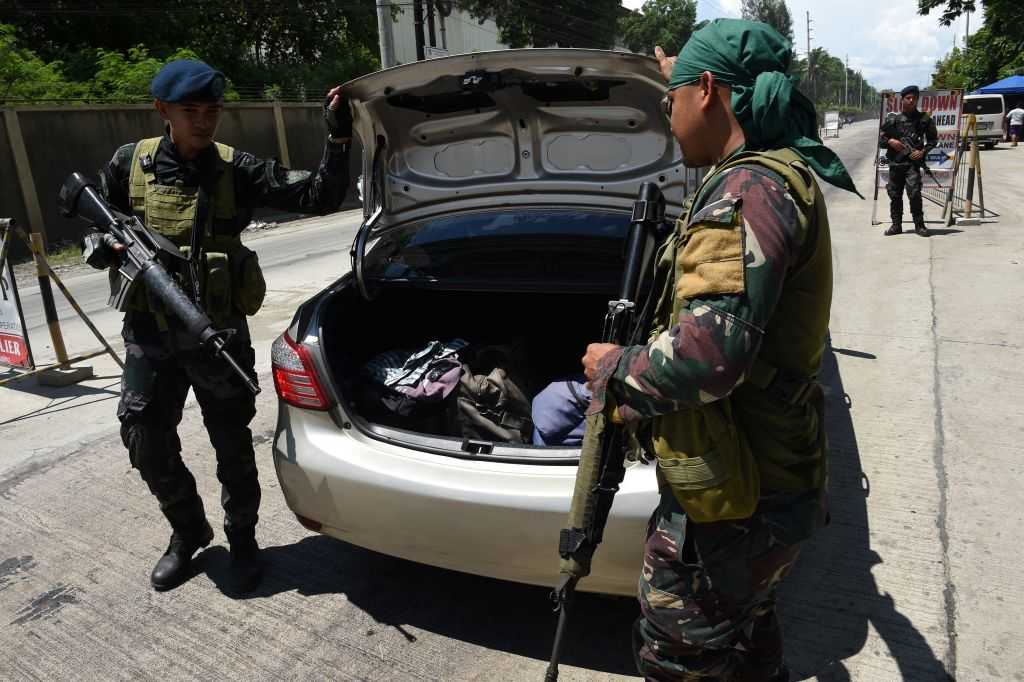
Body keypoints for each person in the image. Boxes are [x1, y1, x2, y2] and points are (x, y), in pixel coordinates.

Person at [581, 19, 860, 681]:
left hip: (743, 501)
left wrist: (613, 369)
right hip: (764, 484)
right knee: (747, 644)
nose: (666, 115)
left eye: (669, 97)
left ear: (707, 91)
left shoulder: (746, 191)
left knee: (676, 654)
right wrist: (681, 65)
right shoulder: (773, 176)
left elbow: (708, 356)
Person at [80, 59, 352, 593]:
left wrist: (337, 137)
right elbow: (95, 223)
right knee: (143, 437)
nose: (204, 122)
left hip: (217, 335)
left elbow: (320, 196)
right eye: (190, 112)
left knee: (231, 445)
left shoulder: (237, 168)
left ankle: (243, 540)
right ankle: (188, 532)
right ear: (163, 111)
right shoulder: (127, 164)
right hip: (149, 336)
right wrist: (105, 246)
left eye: (212, 111)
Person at [879, 85, 938, 237]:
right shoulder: (894, 120)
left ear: (917, 99)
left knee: (914, 194)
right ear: (903, 100)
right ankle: (896, 225)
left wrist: (922, 151)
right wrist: (891, 141)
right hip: (896, 164)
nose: (911, 101)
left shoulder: (924, 120)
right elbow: (882, 141)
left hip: (912, 164)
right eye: (908, 98)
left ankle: (919, 225)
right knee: (895, 195)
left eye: (914, 98)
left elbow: (933, 140)